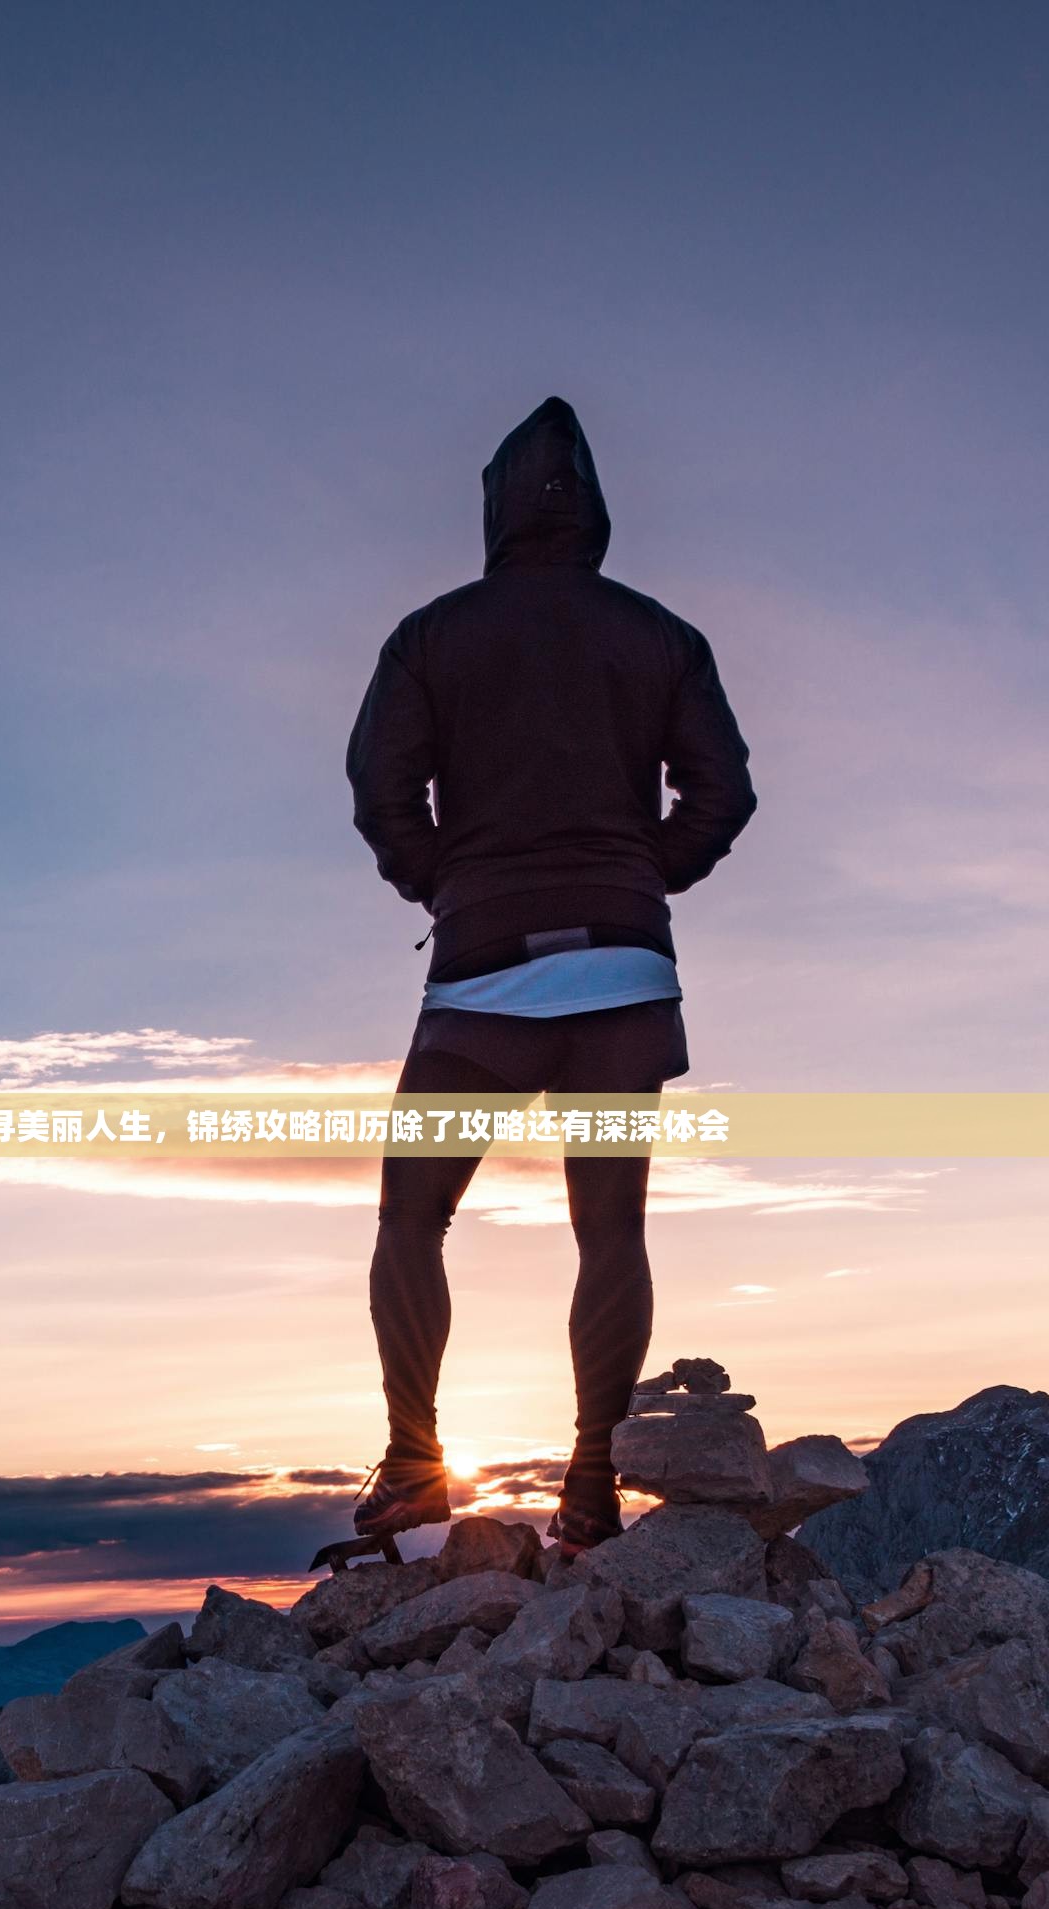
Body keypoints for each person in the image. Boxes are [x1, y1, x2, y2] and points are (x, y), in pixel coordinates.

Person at [342, 396, 757, 1554]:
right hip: (623, 967)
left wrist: (449, 886)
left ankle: (415, 1466)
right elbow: (721, 796)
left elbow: (381, 793)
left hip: (480, 971)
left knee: (411, 1217)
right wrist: (638, 878)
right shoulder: (662, 635)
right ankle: (588, 1483)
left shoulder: (428, 637)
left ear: (493, 507)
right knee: (609, 1228)